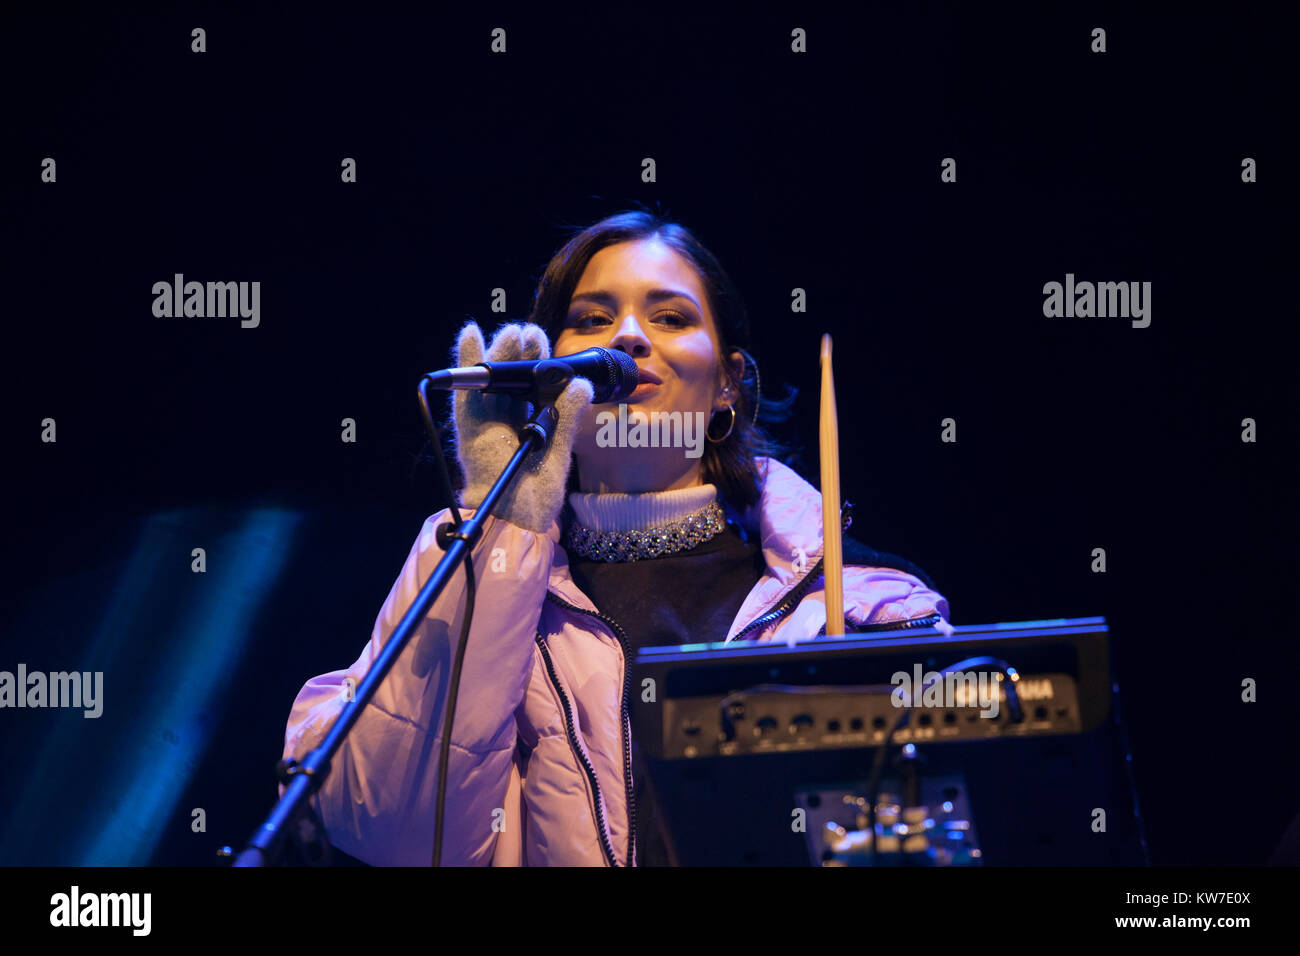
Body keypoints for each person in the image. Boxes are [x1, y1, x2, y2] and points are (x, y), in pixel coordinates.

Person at [280, 210, 952, 866]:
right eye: (591, 320)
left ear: (727, 382)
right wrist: (499, 529)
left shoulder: (862, 602)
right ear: (549, 375)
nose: (627, 337)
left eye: (671, 317)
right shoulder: (467, 564)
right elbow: (392, 833)